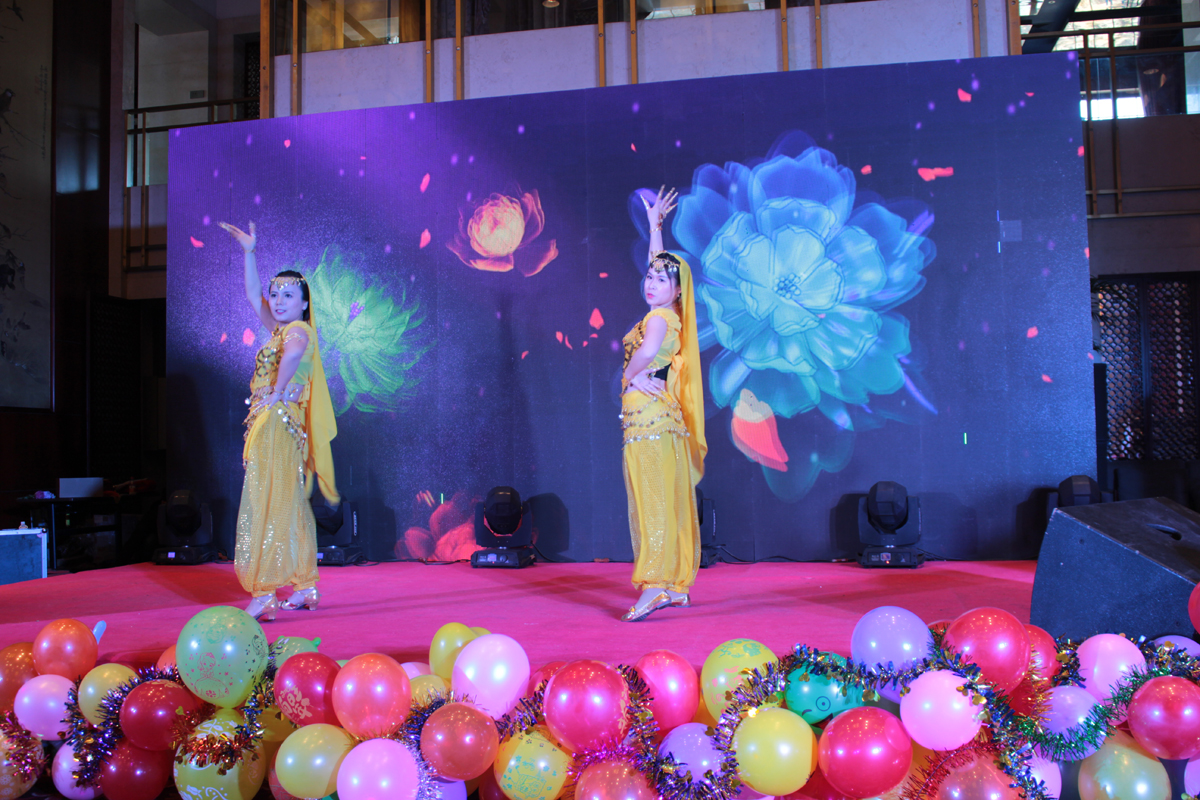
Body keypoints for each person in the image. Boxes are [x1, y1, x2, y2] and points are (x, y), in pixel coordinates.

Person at [219, 221, 339, 622]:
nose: (278, 300)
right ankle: (305, 586)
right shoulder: (279, 329)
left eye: (288, 294)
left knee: (266, 500)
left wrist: (277, 389)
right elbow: (253, 295)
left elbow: (294, 354)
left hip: (276, 420)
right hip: (281, 422)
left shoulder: (298, 330)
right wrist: (249, 253)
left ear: (304, 303)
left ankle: (265, 590)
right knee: (288, 500)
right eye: (276, 294)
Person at [619, 188, 707, 622]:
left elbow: (649, 350)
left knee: (652, 501)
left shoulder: (658, 318)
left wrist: (630, 375)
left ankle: (654, 587)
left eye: (660, 280)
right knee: (664, 500)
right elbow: (662, 266)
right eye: (649, 277)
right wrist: (655, 227)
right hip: (661, 421)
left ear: (676, 291)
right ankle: (674, 586)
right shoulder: (672, 314)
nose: (651, 282)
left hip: (649, 422)